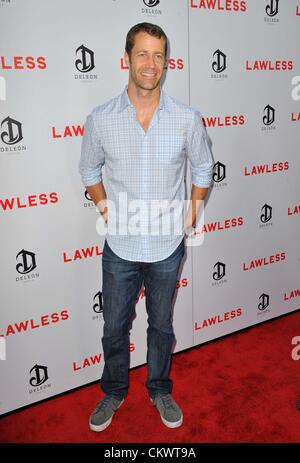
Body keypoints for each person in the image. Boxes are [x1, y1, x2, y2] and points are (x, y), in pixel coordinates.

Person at [79, 22, 214, 432]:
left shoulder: (187, 119)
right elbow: (88, 169)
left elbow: (204, 168)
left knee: (161, 326)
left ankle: (159, 388)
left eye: (158, 55)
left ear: (167, 62)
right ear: (126, 59)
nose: (150, 64)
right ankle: (114, 390)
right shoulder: (101, 118)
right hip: (120, 246)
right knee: (114, 326)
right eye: (142, 54)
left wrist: (189, 218)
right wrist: (107, 210)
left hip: (166, 248)